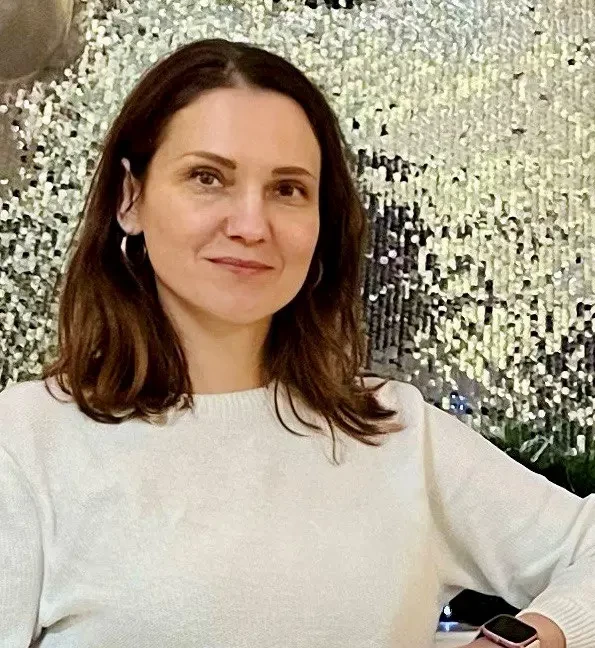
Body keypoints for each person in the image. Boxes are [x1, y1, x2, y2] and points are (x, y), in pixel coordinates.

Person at [0, 37, 593, 648]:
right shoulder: (26, 444)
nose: (251, 225)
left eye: (287, 189)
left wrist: (528, 639)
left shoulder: (398, 434)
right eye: (208, 178)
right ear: (130, 198)